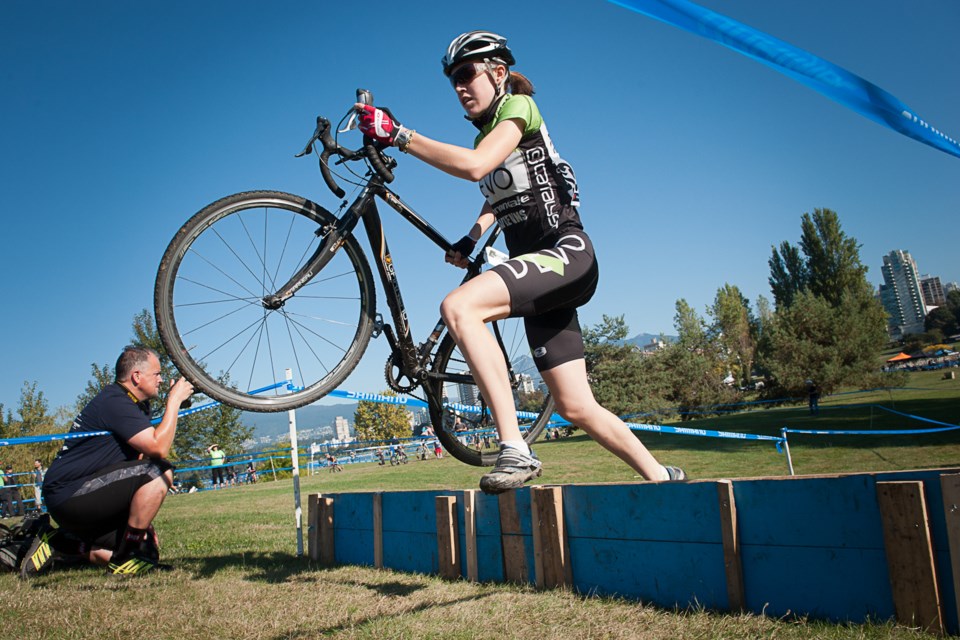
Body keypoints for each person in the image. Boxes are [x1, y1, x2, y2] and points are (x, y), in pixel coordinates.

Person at [357, 31, 685, 493]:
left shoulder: (519, 109)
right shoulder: (491, 133)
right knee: (575, 406)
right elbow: (499, 195)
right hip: (543, 276)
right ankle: (664, 477)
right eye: (453, 79)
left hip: (565, 254)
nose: (459, 86)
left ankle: (515, 449)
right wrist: (471, 238)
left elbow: (475, 166)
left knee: (460, 307)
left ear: (498, 73)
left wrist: (400, 135)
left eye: (467, 74)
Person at [23, 345, 194, 577]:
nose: (162, 380)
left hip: (88, 495)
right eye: (157, 374)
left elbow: (144, 454)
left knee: (149, 554)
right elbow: (158, 449)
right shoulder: (115, 401)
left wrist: (173, 405)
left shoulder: (135, 404)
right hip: (70, 494)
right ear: (136, 376)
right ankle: (125, 558)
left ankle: (63, 545)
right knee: (159, 472)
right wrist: (173, 402)